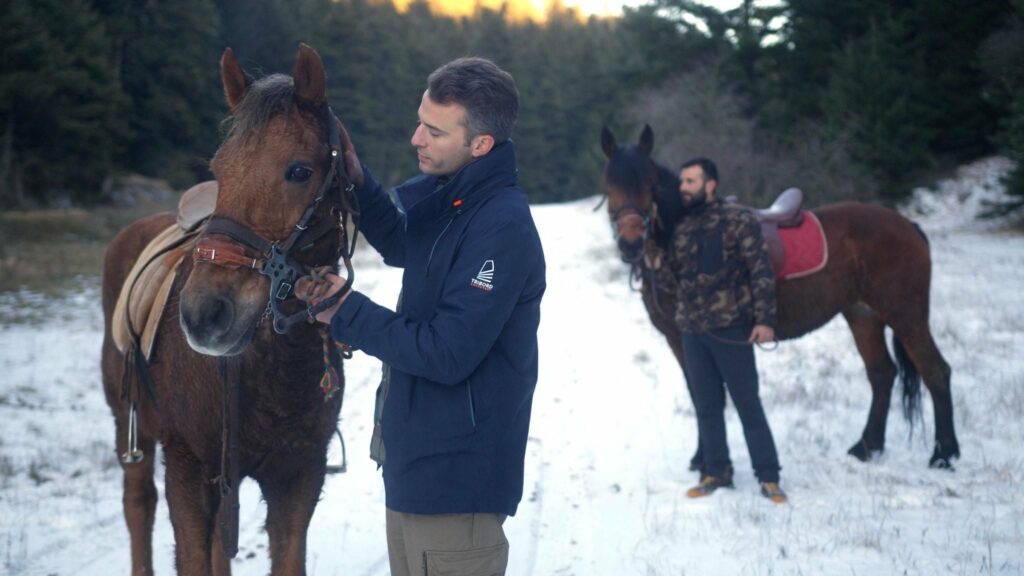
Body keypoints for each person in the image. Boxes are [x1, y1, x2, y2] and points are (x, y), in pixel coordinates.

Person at [296, 57, 546, 575]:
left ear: (481, 145)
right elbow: (405, 243)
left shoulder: (501, 226)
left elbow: (448, 352)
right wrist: (359, 180)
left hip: (458, 481)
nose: (417, 138)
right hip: (417, 464)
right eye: (419, 121)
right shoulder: (457, 201)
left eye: (435, 130)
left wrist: (346, 311)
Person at [661, 157, 786, 504]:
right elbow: (675, 277)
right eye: (682, 181)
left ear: (710, 184)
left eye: (690, 181)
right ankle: (716, 472)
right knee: (706, 406)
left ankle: (769, 475)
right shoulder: (682, 227)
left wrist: (765, 321)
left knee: (748, 404)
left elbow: (760, 272)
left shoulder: (738, 220)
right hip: (693, 331)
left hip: (731, 328)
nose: (682, 187)